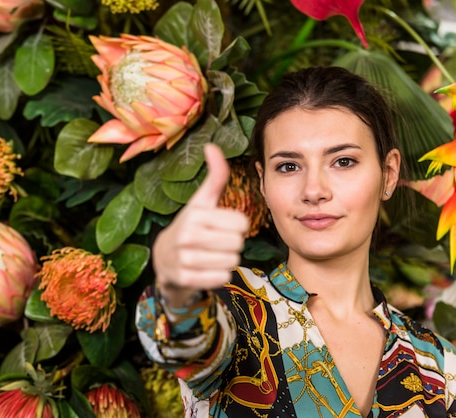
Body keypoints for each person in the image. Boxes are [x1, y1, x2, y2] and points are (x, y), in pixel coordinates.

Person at [135, 66, 456, 417]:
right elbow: (185, 341)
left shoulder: (439, 366)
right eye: (289, 166)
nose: (314, 191)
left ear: (388, 174)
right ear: (262, 183)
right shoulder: (233, 308)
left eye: (343, 161)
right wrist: (176, 290)